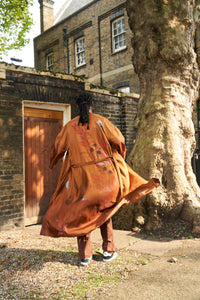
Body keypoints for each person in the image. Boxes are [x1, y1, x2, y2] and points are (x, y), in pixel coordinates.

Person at [40, 92, 160, 266]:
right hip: (105, 179)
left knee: (83, 215)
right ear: (92, 104)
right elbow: (119, 140)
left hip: (81, 182)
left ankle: (84, 256)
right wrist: (119, 154)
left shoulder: (69, 127)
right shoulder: (101, 121)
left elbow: (56, 148)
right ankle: (109, 251)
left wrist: (53, 162)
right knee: (105, 213)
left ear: (77, 106)